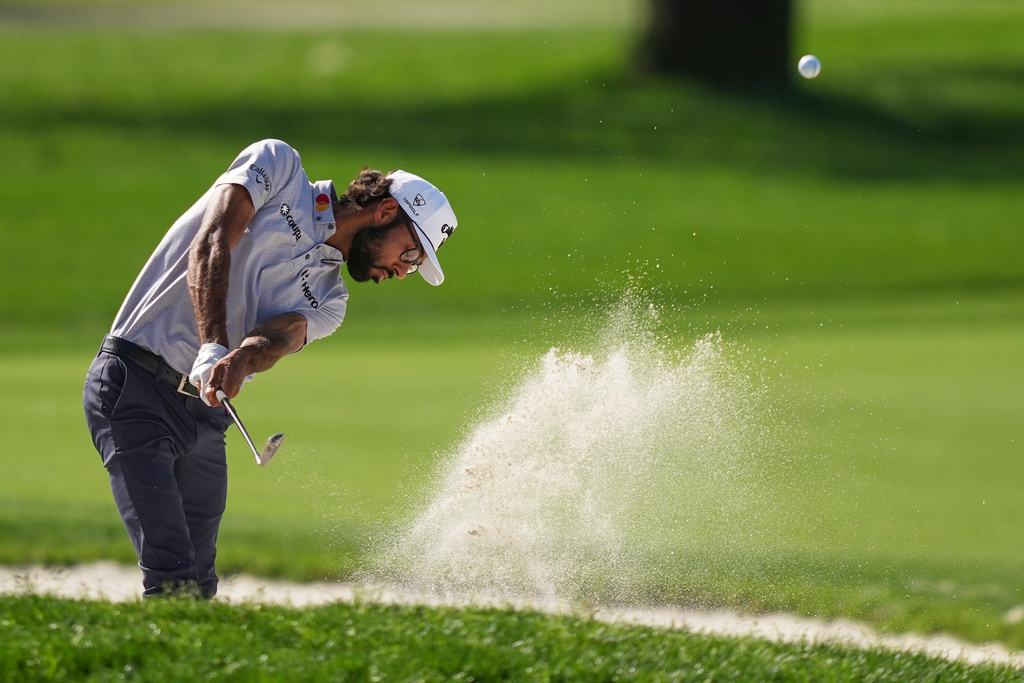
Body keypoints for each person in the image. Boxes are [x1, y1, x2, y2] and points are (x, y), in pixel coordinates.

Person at [82, 139, 458, 598]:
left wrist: (239, 357)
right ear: (385, 213)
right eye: (412, 255)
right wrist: (214, 344)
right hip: (134, 386)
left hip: (205, 415)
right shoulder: (278, 166)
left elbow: (278, 338)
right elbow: (213, 238)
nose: (403, 272)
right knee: (171, 573)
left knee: (199, 585)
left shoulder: (331, 300)